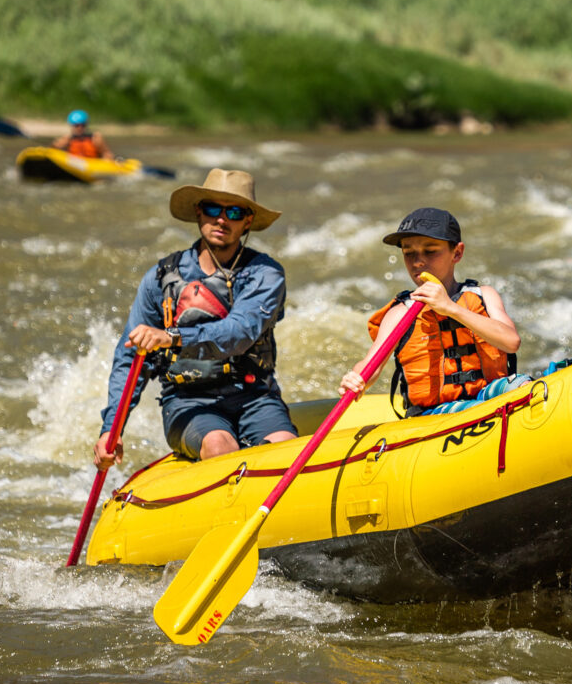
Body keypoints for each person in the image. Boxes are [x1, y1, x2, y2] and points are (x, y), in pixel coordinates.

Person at [92, 169, 296, 471]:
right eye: (213, 209)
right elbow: (130, 357)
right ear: (199, 212)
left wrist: (172, 337)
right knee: (219, 445)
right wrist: (112, 428)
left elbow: (239, 332)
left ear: (248, 221)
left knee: (284, 450)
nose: (222, 220)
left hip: (254, 396)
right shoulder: (160, 278)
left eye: (235, 212)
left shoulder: (265, 274)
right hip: (188, 401)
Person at [340, 207, 527, 417]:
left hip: (486, 396)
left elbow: (511, 342)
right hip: (432, 414)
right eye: (408, 253)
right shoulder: (401, 312)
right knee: (480, 410)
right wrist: (356, 378)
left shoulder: (484, 295)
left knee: (522, 386)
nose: (418, 261)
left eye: (430, 251)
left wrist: (451, 308)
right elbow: (371, 365)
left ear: (457, 253)